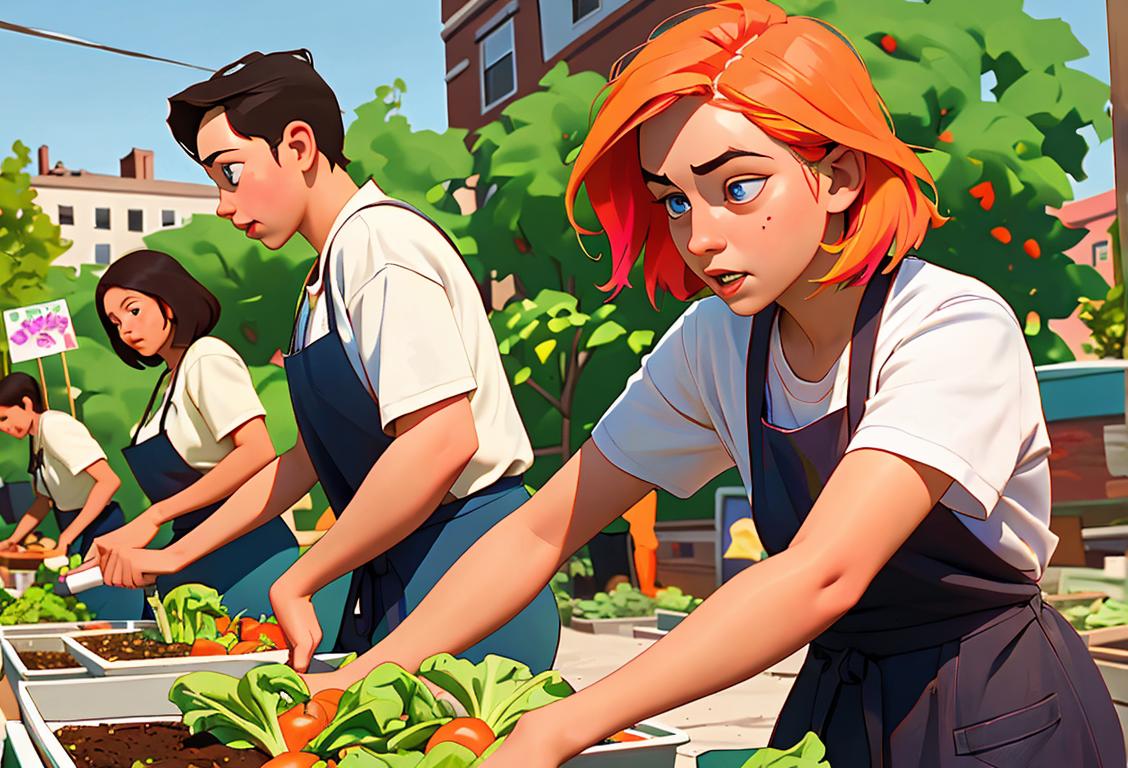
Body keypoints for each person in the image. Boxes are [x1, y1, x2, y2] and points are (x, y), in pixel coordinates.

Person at [292, 3, 1124, 767]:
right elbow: (541, 532)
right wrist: (366, 673)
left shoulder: (950, 325)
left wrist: (563, 724)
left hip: (998, 712)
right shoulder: (715, 343)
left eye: (737, 187)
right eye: (675, 203)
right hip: (837, 704)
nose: (701, 236)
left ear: (835, 177)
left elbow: (822, 574)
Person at [114, 49, 559, 670]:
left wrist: (301, 577)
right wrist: (176, 553)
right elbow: (307, 460)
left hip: (466, 568)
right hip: (400, 572)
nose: (222, 203)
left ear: (298, 146)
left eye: (231, 173)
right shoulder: (324, 277)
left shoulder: (380, 248)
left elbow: (439, 440)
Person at [75, 249, 321, 624]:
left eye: (134, 309)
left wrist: (155, 516)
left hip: (245, 552)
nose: (125, 328)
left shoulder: (207, 356)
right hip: (191, 553)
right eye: (115, 320)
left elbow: (257, 449)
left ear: (168, 302)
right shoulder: (165, 383)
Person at [0, 372, 123, 559]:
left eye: (4, 418)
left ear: (26, 403)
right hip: (73, 527)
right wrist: (13, 540)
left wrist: (67, 536)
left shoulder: (54, 426)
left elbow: (109, 481)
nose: (3, 428)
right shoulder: (36, 437)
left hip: (100, 525)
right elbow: (43, 501)